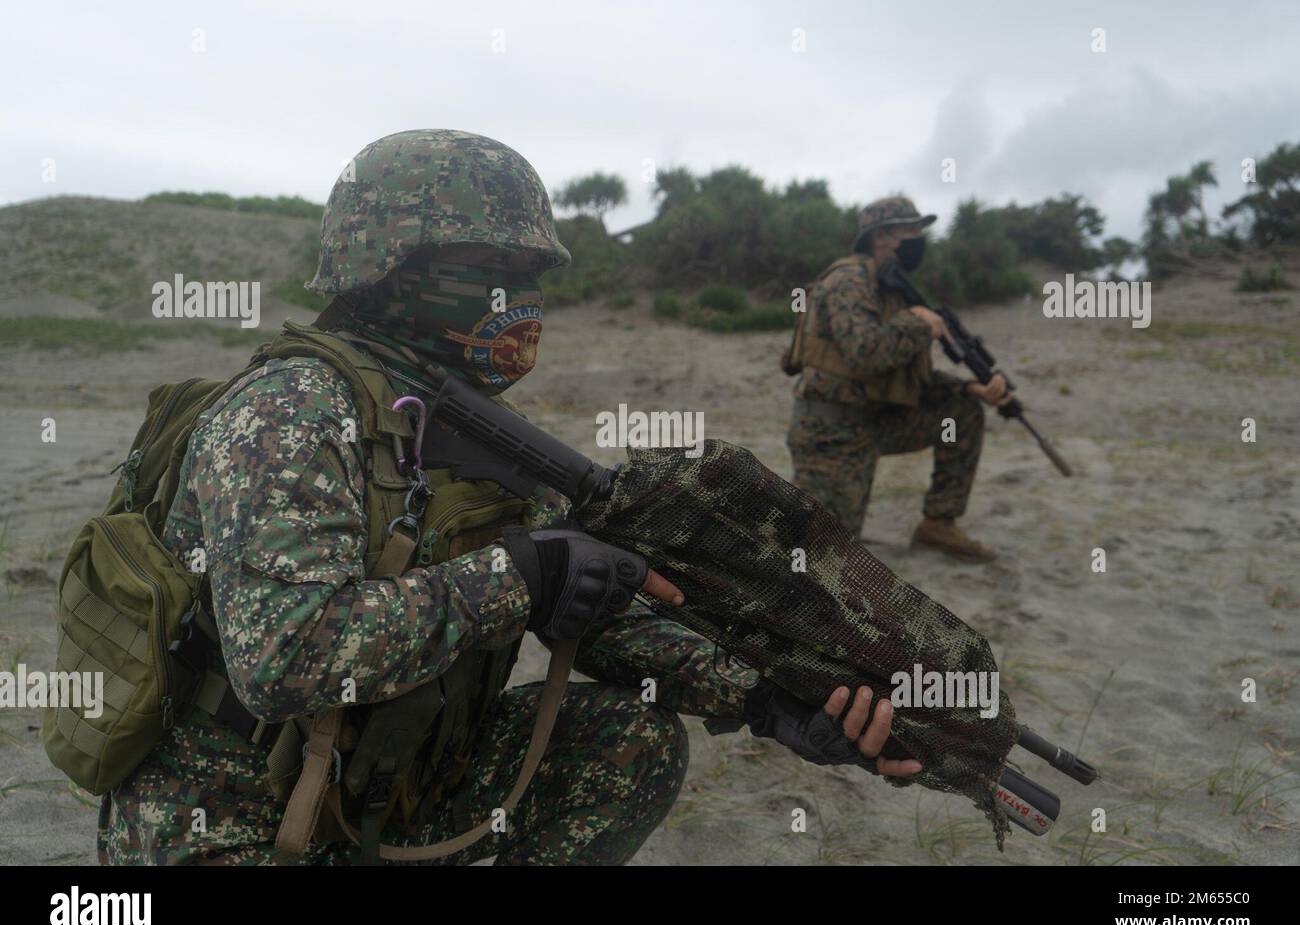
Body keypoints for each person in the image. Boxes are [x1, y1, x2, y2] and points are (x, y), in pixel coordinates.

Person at [98, 130, 919, 866]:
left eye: (528, 277)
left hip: (383, 783)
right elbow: (286, 660)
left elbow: (597, 595)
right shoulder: (290, 411)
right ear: (391, 271)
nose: (519, 304)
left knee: (626, 738)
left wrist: (772, 698)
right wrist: (521, 574)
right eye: (493, 274)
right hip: (232, 819)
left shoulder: (458, 418)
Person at [784, 196, 1010, 562]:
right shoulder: (848, 280)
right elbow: (865, 352)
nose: (920, 238)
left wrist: (972, 387)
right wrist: (918, 323)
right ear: (882, 236)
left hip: (874, 422)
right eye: (912, 230)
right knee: (824, 555)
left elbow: (905, 376)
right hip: (831, 434)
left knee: (962, 410)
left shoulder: (888, 287)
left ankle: (938, 525)